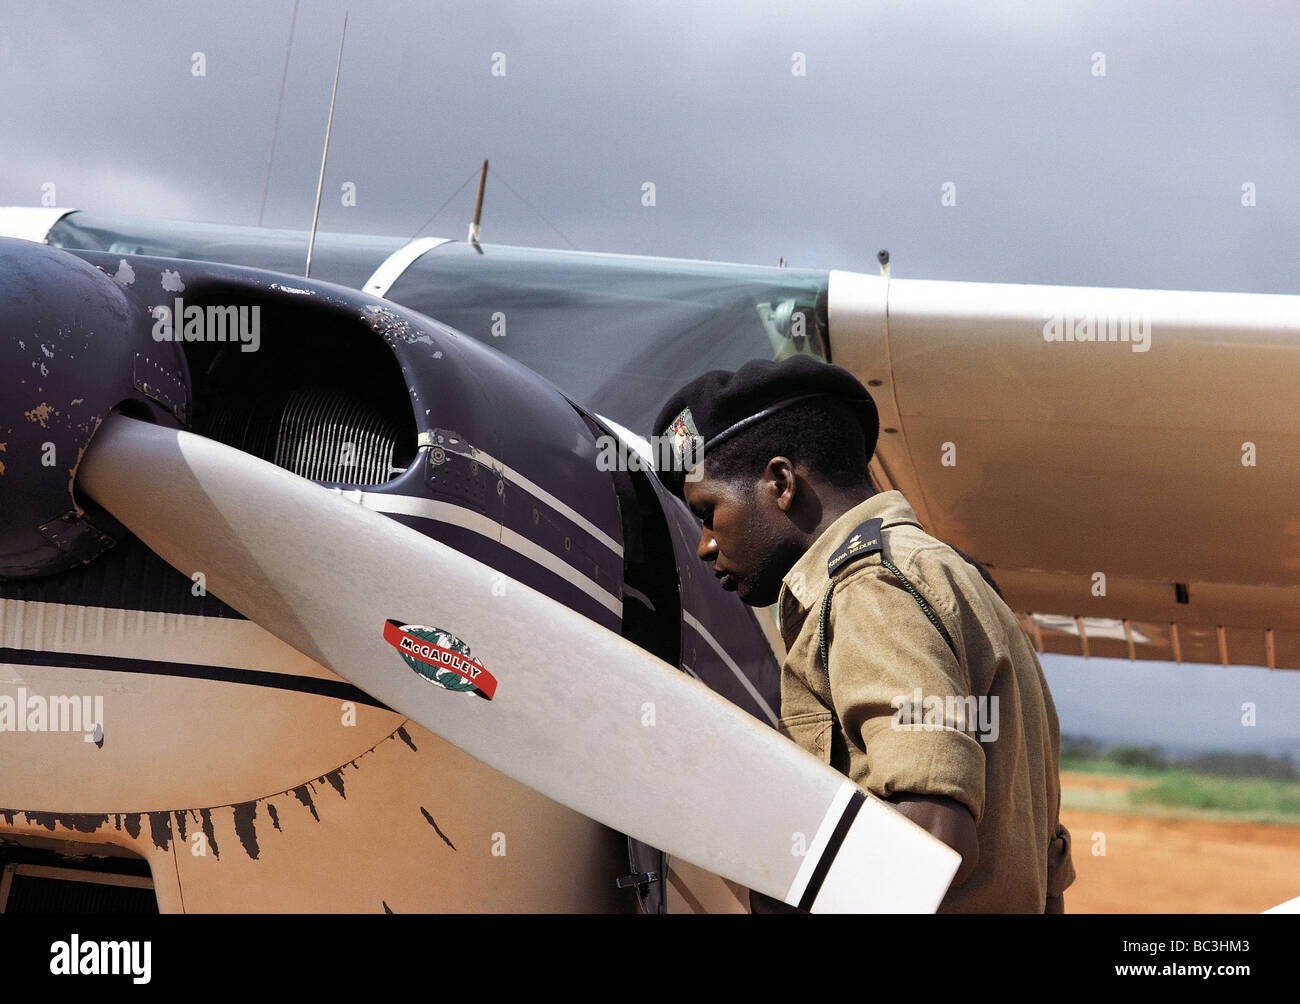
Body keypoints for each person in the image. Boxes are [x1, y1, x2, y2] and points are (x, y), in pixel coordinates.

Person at [651, 355, 1074, 913]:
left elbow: (932, 836)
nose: (705, 543)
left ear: (780, 483)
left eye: (709, 511)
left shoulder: (865, 589)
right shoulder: (960, 579)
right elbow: (1046, 877)